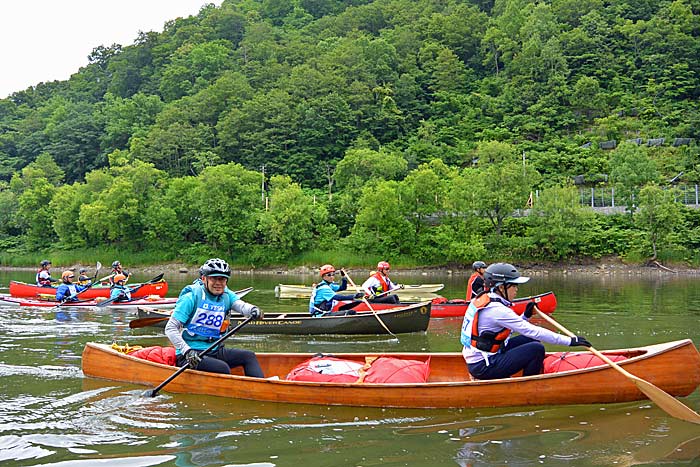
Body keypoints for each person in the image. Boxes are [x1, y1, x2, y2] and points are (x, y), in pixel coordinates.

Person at [461, 262, 591, 380]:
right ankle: (529, 385)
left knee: (530, 341)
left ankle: (523, 378)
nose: (517, 289)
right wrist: (570, 341)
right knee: (536, 348)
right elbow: (532, 330)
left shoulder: (483, 300)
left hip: (485, 356)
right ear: (501, 288)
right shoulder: (497, 310)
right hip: (484, 366)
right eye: (514, 285)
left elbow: (504, 331)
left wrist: (525, 315)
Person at [165, 258, 264, 377]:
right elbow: (170, 328)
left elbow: (242, 306)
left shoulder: (226, 295)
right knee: (222, 368)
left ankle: (261, 388)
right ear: (204, 279)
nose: (218, 283)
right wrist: (187, 351)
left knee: (249, 356)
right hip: (189, 355)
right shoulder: (190, 298)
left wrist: (254, 310)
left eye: (222, 279)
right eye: (214, 278)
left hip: (214, 349)